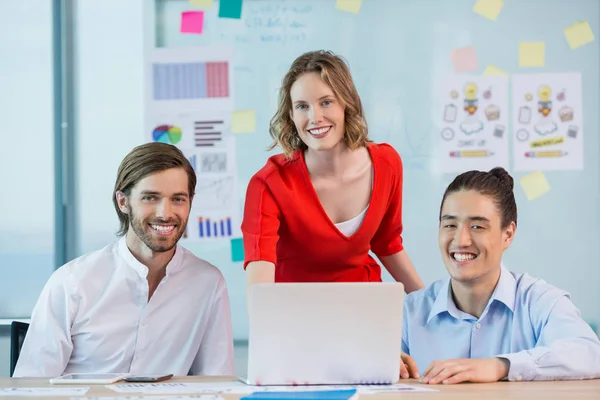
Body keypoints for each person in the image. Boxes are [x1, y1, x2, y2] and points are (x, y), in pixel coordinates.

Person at [14, 143, 234, 377]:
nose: (165, 213)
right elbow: (29, 386)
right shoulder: (72, 282)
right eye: (150, 197)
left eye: (178, 199)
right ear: (123, 202)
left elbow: (218, 383)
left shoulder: (207, 283)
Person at [241, 50, 423, 295]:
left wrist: (426, 306)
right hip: (295, 316)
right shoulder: (269, 184)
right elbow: (260, 279)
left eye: (326, 102)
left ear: (346, 104)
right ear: (291, 116)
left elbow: (387, 242)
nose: (315, 117)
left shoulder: (387, 163)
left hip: (365, 306)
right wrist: (266, 327)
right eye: (302, 106)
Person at [400, 167, 600, 384]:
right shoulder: (410, 311)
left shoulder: (540, 302)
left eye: (477, 226)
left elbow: (589, 354)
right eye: (450, 225)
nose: (461, 240)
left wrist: (501, 366)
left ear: (508, 234)